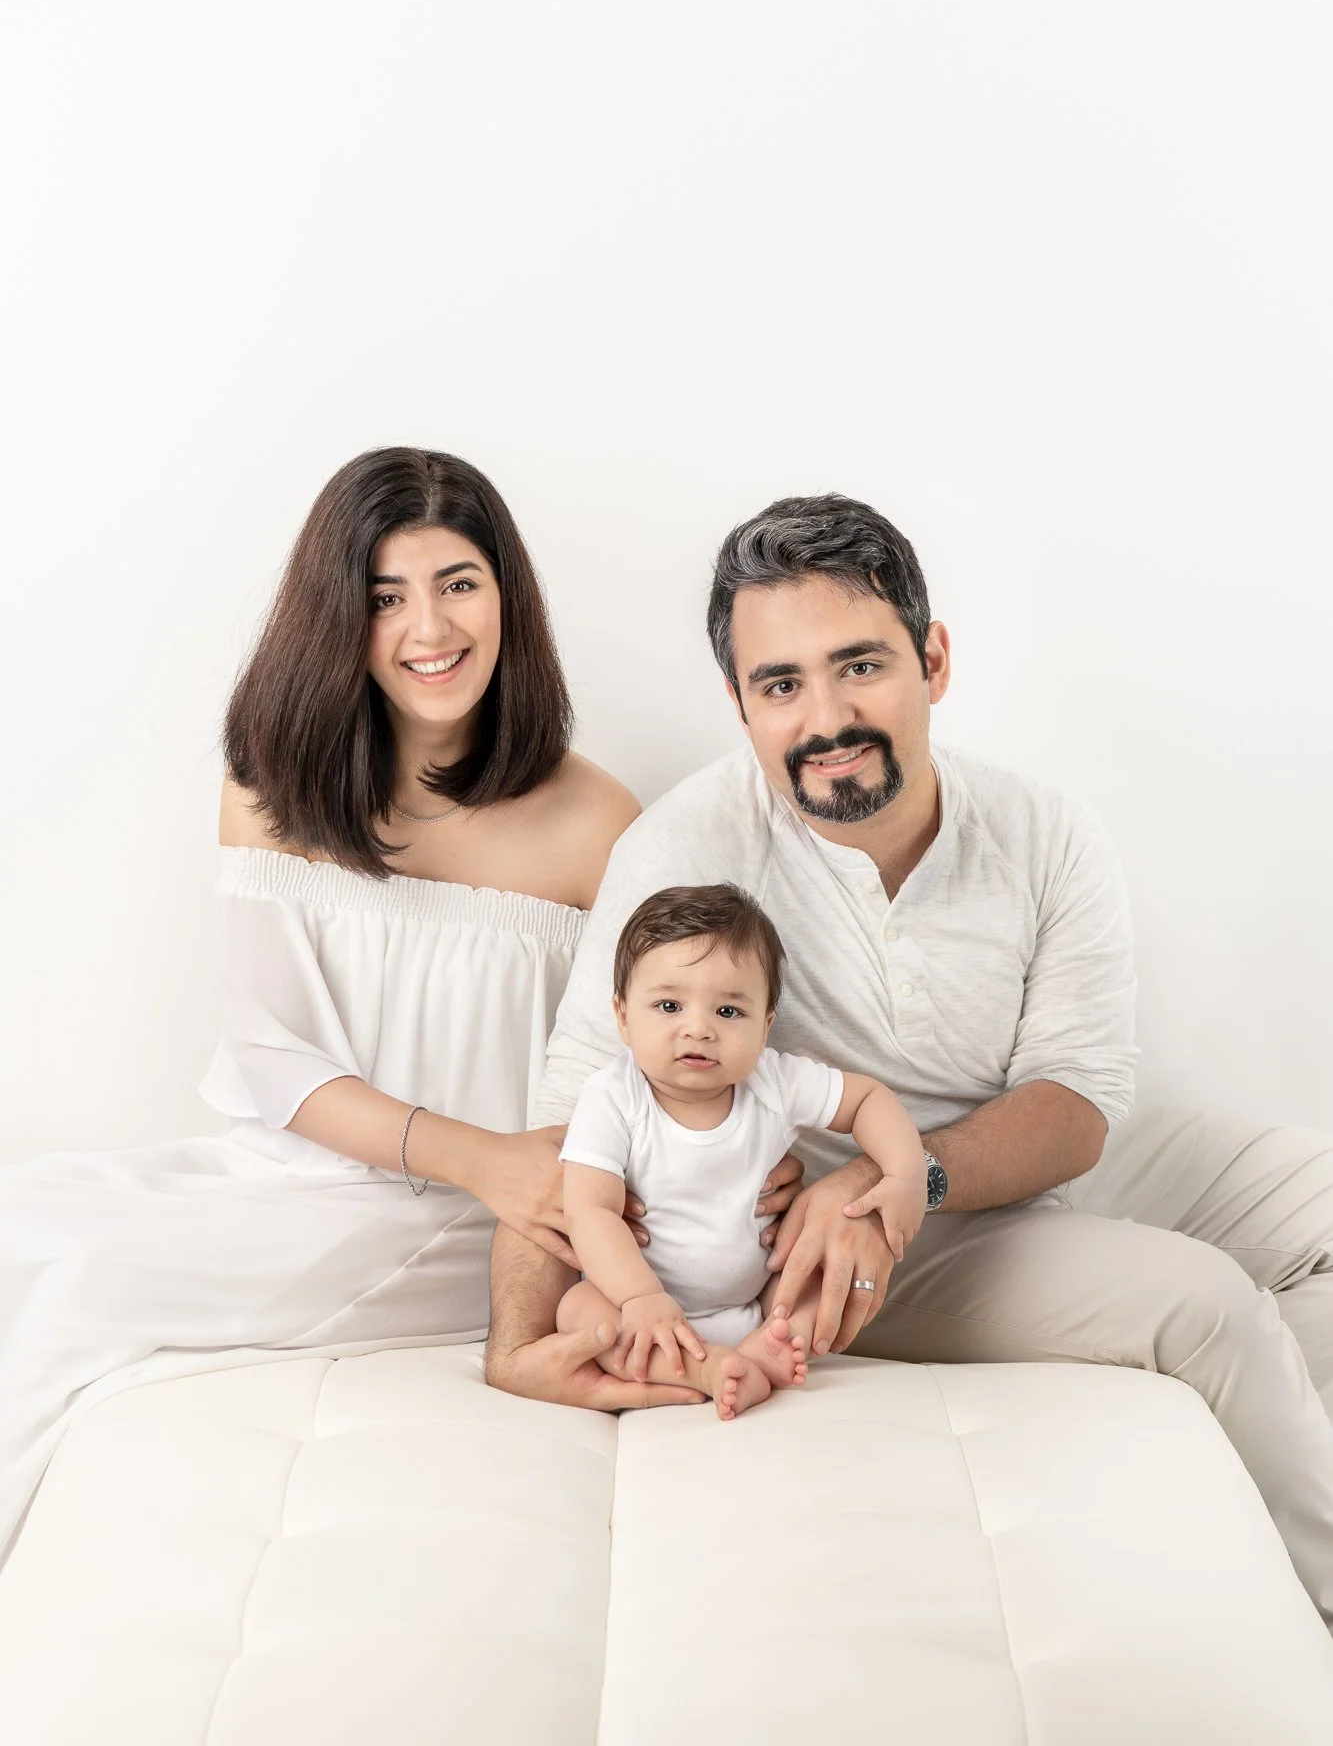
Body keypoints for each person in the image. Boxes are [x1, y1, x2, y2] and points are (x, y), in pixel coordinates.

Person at [486, 490, 1333, 1635]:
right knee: (1209, 1307)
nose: (825, 715)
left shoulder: (1044, 830)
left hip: (954, 1164)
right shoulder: (687, 851)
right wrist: (517, 1345)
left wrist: (905, 1168)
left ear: (932, 659)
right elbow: (572, 1119)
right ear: (739, 704)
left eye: (860, 665)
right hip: (849, 1250)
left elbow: (1077, 1102)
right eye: (780, 684)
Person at [3, 445, 801, 1566]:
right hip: (300, 1172)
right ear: (340, 617)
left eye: (458, 582)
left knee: (65, 1275)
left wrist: (749, 1150)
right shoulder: (268, 783)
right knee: (22, 1227)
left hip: (479, 1224)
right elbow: (271, 1055)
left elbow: (683, 1029)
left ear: (506, 597)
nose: (430, 627)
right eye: (386, 597)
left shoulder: (594, 820)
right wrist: (474, 1152)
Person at [554, 883, 928, 1417]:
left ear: (765, 1026)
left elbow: (867, 1098)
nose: (699, 1028)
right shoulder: (613, 1097)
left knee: (825, 1265)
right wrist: (640, 1298)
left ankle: (769, 1346)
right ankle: (710, 1369)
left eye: (729, 1012)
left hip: (759, 1302)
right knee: (578, 1312)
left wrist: (905, 1173)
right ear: (622, 1016)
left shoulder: (773, 1082)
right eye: (668, 1005)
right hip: (641, 1307)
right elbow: (590, 1209)